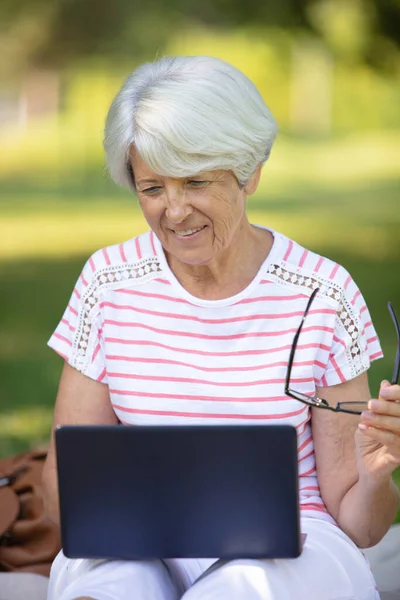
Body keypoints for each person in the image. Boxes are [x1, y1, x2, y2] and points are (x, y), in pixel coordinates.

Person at [42, 56, 400, 600]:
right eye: (152, 187)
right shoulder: (107, 282)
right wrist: (97, 510)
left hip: (295, 544)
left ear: (250, 170)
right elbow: (60, 497)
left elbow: (361, 525)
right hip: (136, 542)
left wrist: (376, 474)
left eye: (196, 182)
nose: (175, 211)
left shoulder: (322, 294)